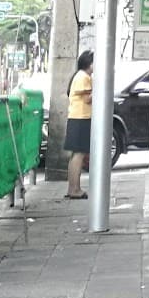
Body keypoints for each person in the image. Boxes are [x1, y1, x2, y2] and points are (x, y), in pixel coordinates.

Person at [64, 50, 94, 199]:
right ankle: (75, 189)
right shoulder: (84, 77)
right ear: (90, 64)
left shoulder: (79, 76)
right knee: (79, 154)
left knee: (76, 155)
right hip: (81, 118)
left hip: (76, 117)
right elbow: (88, 99)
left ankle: (73, 188)